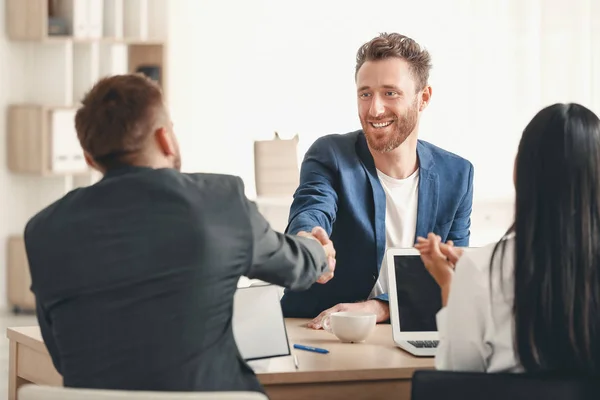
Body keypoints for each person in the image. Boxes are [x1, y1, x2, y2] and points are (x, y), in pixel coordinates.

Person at [23, 74, 336, 393]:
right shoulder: (219, 201)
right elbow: (294, 266)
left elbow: (64, 356)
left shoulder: (43, 230)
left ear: (90, 158)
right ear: (165, 138)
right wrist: (318, 253)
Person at [281, 32, 474, 328]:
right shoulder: (330, 154)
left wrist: (380, 308)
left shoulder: (457, 175)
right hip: (318, 329)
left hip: (406, 330)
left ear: (423, 99)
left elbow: (450, 277)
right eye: (365, 93)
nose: (374, 110)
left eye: (390, 93)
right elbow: (312, 208)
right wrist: (308, 240)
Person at [416, 103, 600, 374]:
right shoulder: (477, 268)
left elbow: (457, 379)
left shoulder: (480, 271)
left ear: (518, 171)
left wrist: (450, 285)